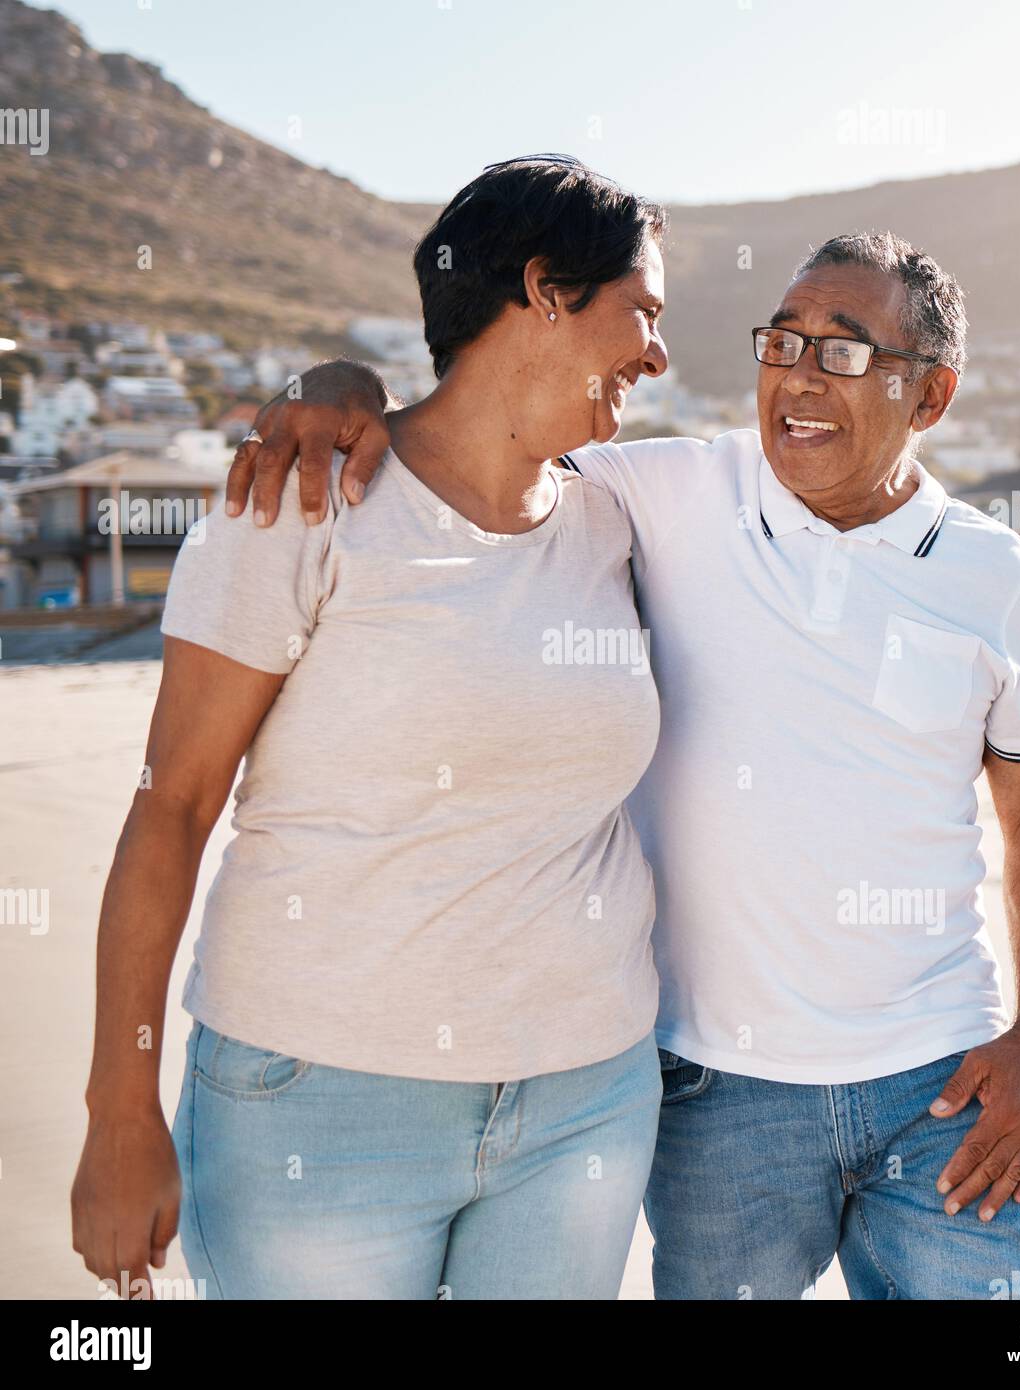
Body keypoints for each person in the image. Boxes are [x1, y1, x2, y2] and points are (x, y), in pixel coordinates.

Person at [236, 229, 1020, 1300]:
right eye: (782, 342)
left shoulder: (992, 574)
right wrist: (336, 381)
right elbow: (477, 434)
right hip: (711, 1093)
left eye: (841, 350)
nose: (795, 376)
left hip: (941, 1078)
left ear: (929, 397)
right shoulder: (663, 491)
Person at [70, 155, 673, 1300]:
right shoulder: (300, 503)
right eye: (640, 312)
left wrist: (331, 373)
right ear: (544, 290)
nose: (655, 352)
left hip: (585, 1100)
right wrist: (118, 1111)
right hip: (319, 1101)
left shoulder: (623, 517)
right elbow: (173, 807)